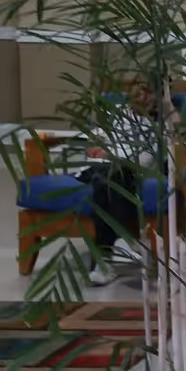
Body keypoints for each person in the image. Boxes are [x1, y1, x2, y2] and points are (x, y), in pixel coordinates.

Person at [77, 81, 163, 286]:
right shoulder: (123, 114)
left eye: (148, 99)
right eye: (138, 98)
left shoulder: (161, 122)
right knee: (104, 181)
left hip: (130, 168)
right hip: (107, 166)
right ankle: (127, 239)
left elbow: (146, 158)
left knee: (108, 182)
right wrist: (100, 145)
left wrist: (113, 155)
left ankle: (104, 262)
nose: (142, 103)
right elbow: (114, 138)